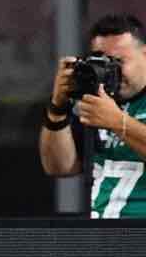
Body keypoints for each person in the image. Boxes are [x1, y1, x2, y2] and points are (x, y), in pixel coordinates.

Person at [40, 12, 146, 217]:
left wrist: (118, 122)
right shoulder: (94, 100)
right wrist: (58, 107)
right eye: (102, 62)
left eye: (118, 61)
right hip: (102, 230)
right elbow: (59, 167)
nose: (111, 70)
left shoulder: (105, 110)